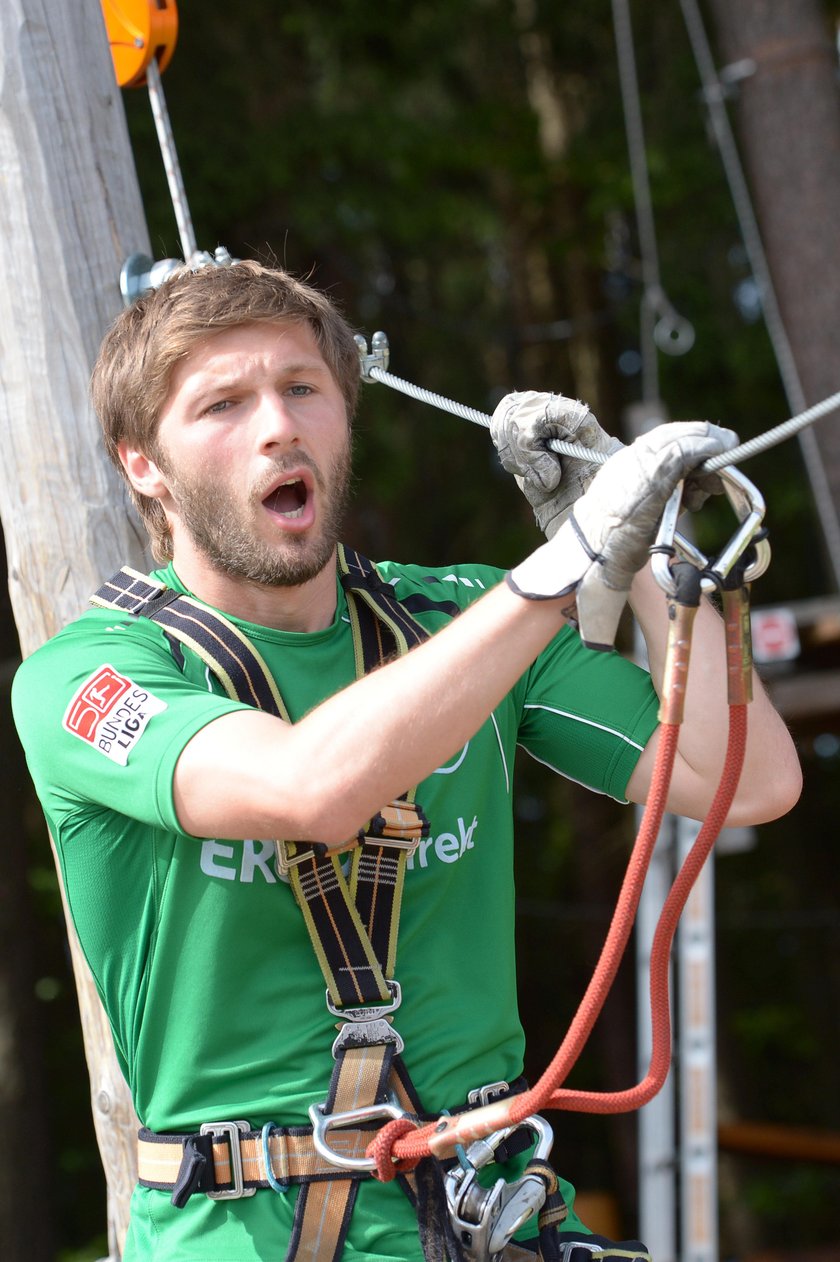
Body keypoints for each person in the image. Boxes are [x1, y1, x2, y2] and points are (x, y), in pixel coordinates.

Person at [12, 259, 800, 1262]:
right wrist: (559, 571)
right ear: (142, 465)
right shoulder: (90, 675)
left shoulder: (466, 614)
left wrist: (643, 547)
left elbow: (751, 781)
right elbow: (311, 787)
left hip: (490, 1215)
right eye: (222, 403)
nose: (278, 426)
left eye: (303, 387)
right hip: (245, 1231)